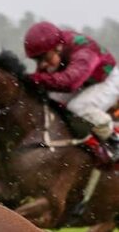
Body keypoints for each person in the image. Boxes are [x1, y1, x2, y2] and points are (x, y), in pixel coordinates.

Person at [24, 21, 119, 161]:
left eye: (46, 58)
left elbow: (70, 82)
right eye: (37, 60)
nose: (42, 64)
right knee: (49, 102)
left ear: (58, 47)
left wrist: (32, 79)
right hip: (84, 82)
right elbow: (42, 87)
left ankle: (113, 140)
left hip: (108, 79)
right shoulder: (54, 50)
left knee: (79, 106)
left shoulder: (84, 50)